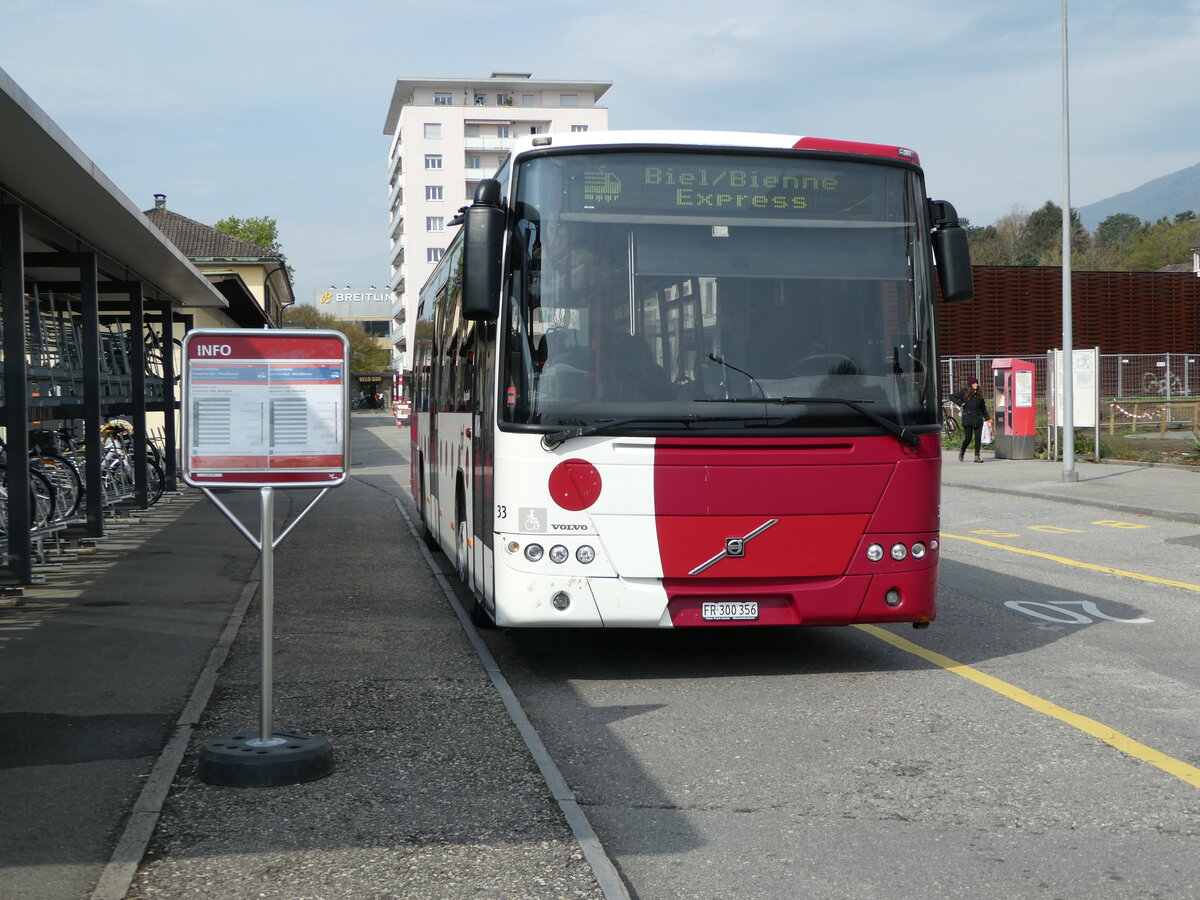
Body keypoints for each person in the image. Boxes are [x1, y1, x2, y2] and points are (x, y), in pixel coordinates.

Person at [950, 375, 991, 463]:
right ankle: (962, 451)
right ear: (970, 384)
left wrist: (988, 418)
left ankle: (977, 456)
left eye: (977, 383)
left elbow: (983, 408)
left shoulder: (979, 394)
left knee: (977, 437)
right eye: (974, 383)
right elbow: (951, 396)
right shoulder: (964, 392)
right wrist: (960, 403)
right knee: (968, 438)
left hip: (978, 419)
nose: (976, 384)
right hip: (968, 419)